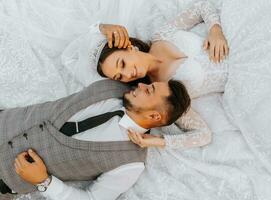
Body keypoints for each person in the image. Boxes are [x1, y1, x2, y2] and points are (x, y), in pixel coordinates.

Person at [62, 0, 226, 149]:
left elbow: (201, 7)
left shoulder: (160, 36)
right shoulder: (162, 93)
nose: (127, 75)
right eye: (119, 77)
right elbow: (203, 135)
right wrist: (155, 141)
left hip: (234, 40)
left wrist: (215, 29)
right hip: (240, 78)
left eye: (122, 64)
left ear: (130, 47)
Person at [0, 79, 191, 200]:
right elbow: (78, 55)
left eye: (149, 90)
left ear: (155, 117)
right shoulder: (112, 84)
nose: (141, 85)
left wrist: (44, 182)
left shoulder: (131, 163)